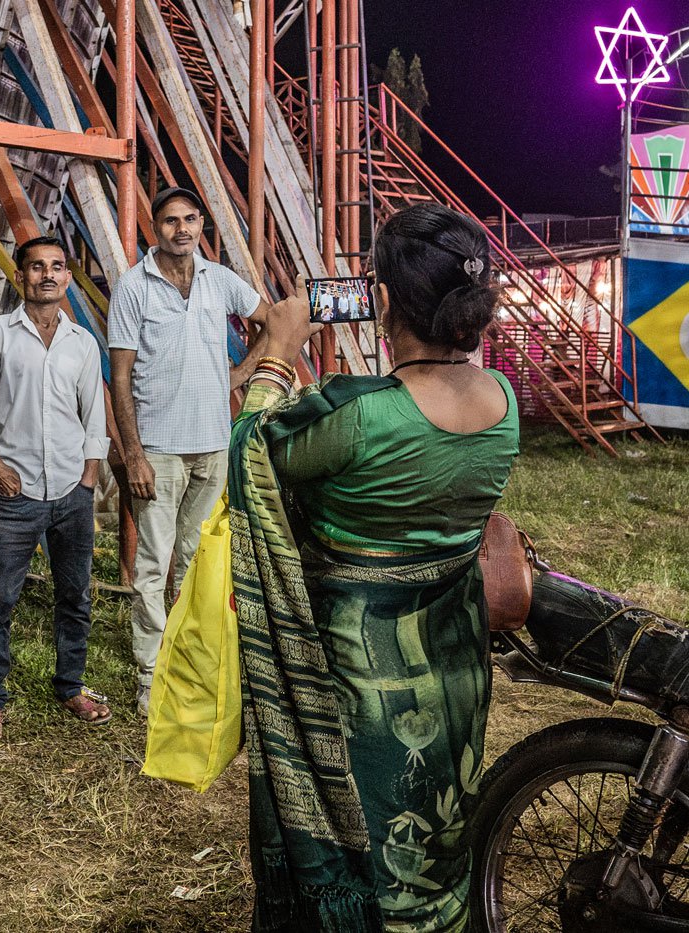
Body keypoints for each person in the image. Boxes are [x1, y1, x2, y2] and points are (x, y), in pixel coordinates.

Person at [231, 203, 518, 931]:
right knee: (432, 810)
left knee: (361, 813)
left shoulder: (360, 414)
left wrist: (275, 354)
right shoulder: (505, 403)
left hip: (356, 670)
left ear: (380, 300)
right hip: (453, 657)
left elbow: (253, 453)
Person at [107, 187, 275, 717]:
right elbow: (120, 375)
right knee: (153, 567)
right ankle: (150, 675)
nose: (182, 230)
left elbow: (274, 321)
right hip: (157, 449)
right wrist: (132, 453)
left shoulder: (219, 280)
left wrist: (242, 372)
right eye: (170, 221)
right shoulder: (135, 287)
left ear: (201, 224)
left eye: (190, 220)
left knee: (198, 562)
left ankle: (192, 666)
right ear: (154, 229)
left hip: (213, 446)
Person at [0, 236, 111, 742]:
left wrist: (89, 477)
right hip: (15, 492)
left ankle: (70, 684)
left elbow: (94, 414)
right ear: (20, 275)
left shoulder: (82, 343)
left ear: (66, 277)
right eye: (36, 267)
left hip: (72, 489)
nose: (47, 275)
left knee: (76, 595)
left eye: (56, 267)